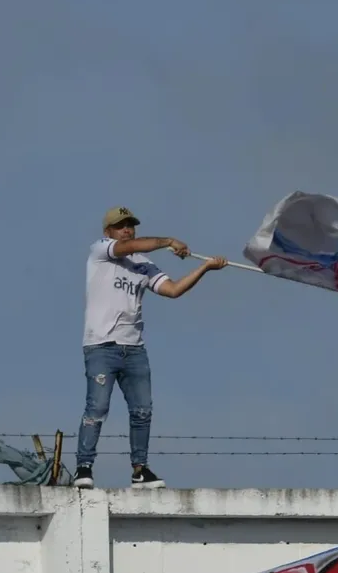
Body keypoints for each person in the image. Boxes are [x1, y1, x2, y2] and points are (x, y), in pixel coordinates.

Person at [72, 206, 227, 489]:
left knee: (142, 410)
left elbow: (173, 290)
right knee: (97, 407)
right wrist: (168, 241)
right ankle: (84, 467)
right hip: (101, 346)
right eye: (121, 226)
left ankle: (140, 471)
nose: (127, 230)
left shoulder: (144, 264)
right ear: (108, 232)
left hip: (134, 349)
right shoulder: (100, 250)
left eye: (130, 225)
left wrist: (205, 267)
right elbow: (129, 246)